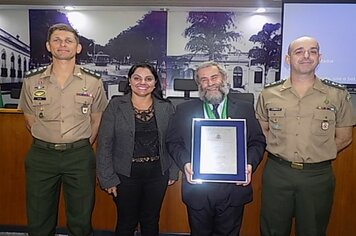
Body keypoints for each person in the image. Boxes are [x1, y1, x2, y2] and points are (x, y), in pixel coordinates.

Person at [256, 36, 355, 236]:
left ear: (320, 57)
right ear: (288, 59)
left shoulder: (337, 94)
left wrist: (318, 152)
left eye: (313, 51)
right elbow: (263, 130)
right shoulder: (268, 94)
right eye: (299, 51)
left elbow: (345, 137)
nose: (306, 56)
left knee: (313, 231)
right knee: (272, 230)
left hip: (317, 176)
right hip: (278, 173)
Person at [18, 23, 108, 235]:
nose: (62, 44)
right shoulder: (31, 81)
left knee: (80, 220)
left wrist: (80, 143)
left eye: (68, 41)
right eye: (57, 40)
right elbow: (29, 118)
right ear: (48, 46)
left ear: (78, 48)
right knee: (38, 219)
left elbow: (97, 119)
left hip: (79, 156)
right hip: (42, 156)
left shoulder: (93, 82)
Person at [166, 61, 266, 236]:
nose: (210, 83)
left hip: (233, 191)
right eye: (204, 80)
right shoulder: (183, 110)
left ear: (224, 78)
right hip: (198, 190)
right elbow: (173, 142)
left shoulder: (244, 108)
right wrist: (186, 164)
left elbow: (257, 142)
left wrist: (248, 165)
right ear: (199, 85)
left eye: (214, 77)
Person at [96, 63, 179, 236]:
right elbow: (104, 143)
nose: (143, 82)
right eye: (137, 78)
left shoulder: (167, 107)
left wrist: (173, 171)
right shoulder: (116, 105)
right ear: (130, 81)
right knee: (127, 222)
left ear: (155, 83)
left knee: (150, 220)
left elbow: (173, 141)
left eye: (148, 79)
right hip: (125, 176)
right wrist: (107, 178)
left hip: (157, 175)